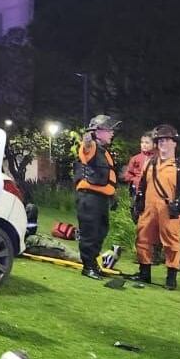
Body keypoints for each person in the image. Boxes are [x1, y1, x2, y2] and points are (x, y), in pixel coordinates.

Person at [130, 125, 180, 290]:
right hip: (148, 208)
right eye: (160, 140)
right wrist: (137, 205)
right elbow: (142, 186)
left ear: (175, 143)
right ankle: (144, 273)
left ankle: (171, 277)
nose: (163, 143)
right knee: (143, 239)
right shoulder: (149, 162)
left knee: (172, 242)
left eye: (167, 140)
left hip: (170, 210)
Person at [75, 114, 121, 279]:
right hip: (90, 198)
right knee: (90, 232)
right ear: (98, 131)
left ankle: (93, 264)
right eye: (109, 130)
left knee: (101, 231)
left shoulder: (104, 151)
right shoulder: (92, 146)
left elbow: (106, 176)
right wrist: (88, 138)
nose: (112, 133)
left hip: (100, 199)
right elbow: (86, 149)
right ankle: (88, 267)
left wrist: (113, 194)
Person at [122, 134, 155, 219]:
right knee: (136, 211)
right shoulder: (135, 158)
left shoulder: (157, 158)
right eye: (142, 142)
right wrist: (134, 180)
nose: (144, 144)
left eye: (147, 143)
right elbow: (128, 174)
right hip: (137, 190)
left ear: (154, 144)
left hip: (152, 190)